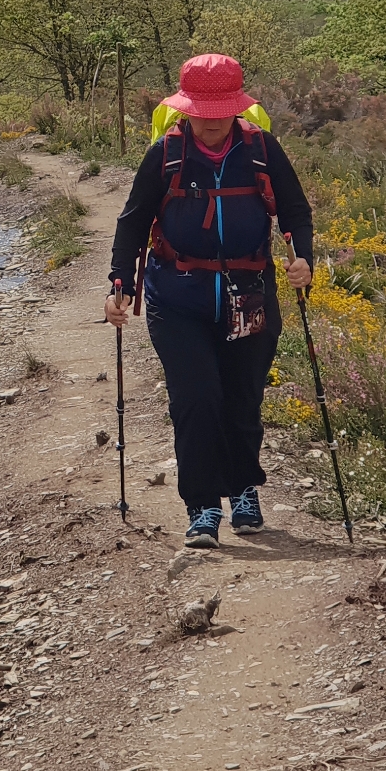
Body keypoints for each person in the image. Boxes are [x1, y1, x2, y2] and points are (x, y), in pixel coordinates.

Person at [106, 53, 313, 549]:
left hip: (250, 294)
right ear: (187, 109)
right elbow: (133, 222)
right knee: (196, 400)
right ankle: (202, 507)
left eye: (222, 109)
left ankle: (243, 490)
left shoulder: (262, 149)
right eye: (204, 109)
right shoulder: (166, 154)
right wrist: (120, 284)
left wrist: (302, 256)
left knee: (242, 399)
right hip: (177, 298)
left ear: (237, 108)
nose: (213, 119)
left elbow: (295, 210)